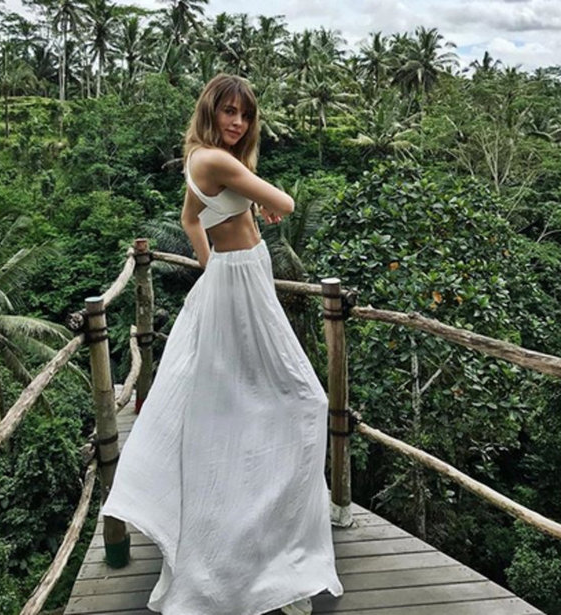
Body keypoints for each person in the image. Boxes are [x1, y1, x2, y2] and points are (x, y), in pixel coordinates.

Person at [101, 74, 344, 615]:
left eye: (245, 114)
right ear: (209, 111)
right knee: (301, 401)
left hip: (237, 278)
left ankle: (266, 553)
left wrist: (213, 265)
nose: (238, 122)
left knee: (252, 406)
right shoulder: (215, 159)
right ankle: (270, 561)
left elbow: (192, 219)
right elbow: (287, 202)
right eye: (229, 111)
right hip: (241, 282)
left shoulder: (201, 158)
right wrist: (249, 222)